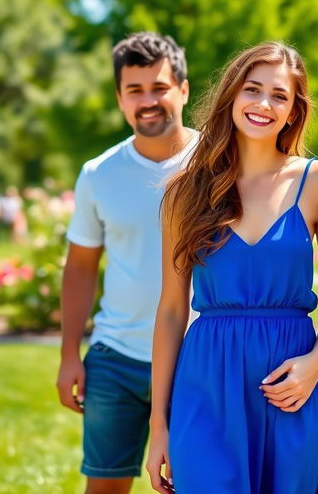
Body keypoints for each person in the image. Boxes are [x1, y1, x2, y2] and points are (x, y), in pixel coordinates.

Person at [147, 42, 318, 494]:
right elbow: (171, 312)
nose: (263, 104)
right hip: (206, 382)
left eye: (279, 95)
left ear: (295, 111)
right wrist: (158, 425)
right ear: (231, 96)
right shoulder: (185, 191)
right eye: (252, 89)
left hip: (291, 381)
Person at [56, 32, 198, 494]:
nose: (148, 100)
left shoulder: (218, 163)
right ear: (119, 98)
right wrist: (68, 355)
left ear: (183, 89)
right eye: (134, 90)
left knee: (194, 484)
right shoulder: (99, 174)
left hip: (195, 356)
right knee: (104, 488)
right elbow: (80, 266)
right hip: (115, 359)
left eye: (159, 87)